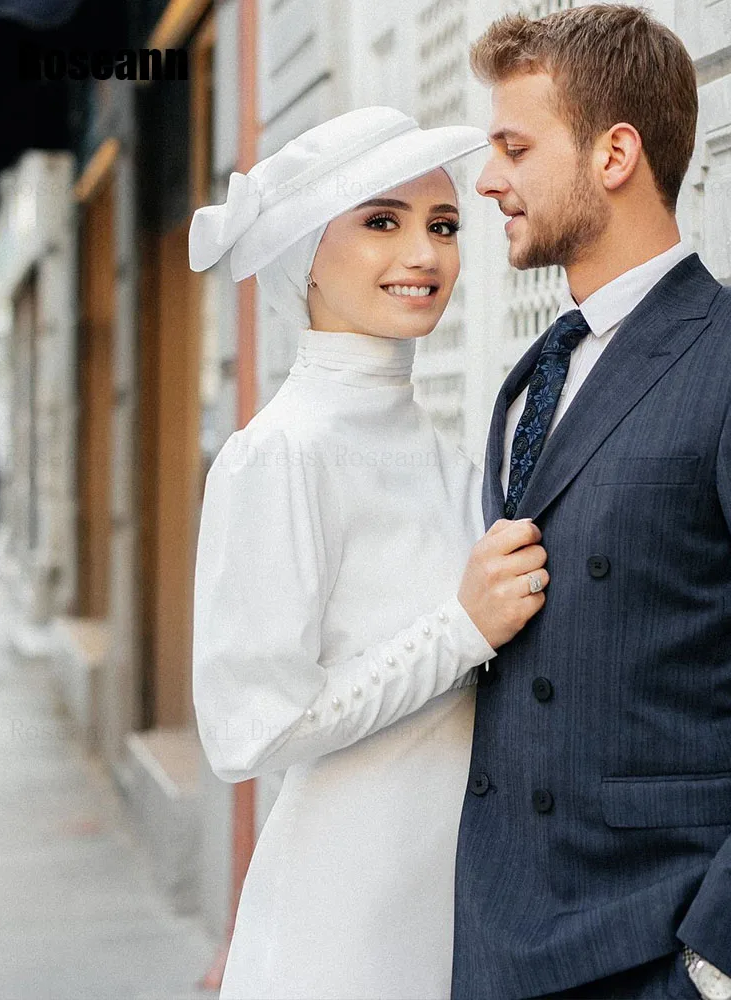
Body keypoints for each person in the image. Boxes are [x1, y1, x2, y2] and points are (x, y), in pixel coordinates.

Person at [451, 7, 731, 1000]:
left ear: (614, 153)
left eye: (515, 147)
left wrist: (716, 965)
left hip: (660, 950)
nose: (487, 180)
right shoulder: (531, 377)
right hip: (505, 947)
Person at [188, 106, 549, 999]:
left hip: (464, 901)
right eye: (382, 221)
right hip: (343, 916)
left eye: (444, 226)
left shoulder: (456, 460)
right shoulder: (278, 454)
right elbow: (248, 728)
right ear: (305, 256)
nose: (424, 255)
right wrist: (459, 631)